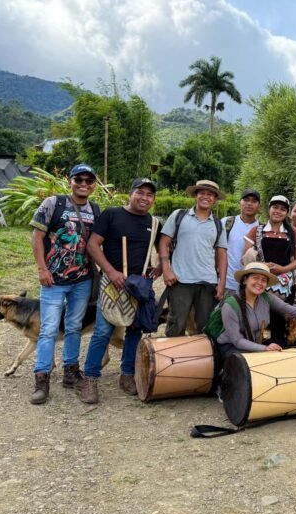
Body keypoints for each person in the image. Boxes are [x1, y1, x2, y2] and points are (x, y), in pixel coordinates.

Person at [80, 178, 162, 404]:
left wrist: (161, 264)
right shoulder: (112, 215)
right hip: (112, 283)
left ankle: (127, 374)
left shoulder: (154, 223)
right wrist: (111, 271)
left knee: (134, 331)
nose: (144, 198)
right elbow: (93, 245)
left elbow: (163, 247)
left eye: (149, 195)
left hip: (139, 284)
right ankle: (90, 378)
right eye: (140, 192)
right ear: (130, 194)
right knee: (102, 332)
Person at [27, 163, 100, 404]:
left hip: (82, 280)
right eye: (79, 179)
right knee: (48, 329)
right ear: (70, 180)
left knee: (74, 326)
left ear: (94, 185)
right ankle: (42, 378)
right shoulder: (53, 203)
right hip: (54, 280)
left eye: (89, 181)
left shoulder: (95, 210)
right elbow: (37, 237)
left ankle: (71, 372)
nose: (83, 184)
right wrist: (42, 268)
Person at [214, 262, 296, 355]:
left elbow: (293, 311)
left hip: (257, 345)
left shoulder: (266, 298)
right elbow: (237, 340)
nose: (259, 283)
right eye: (255, 278)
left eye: (264, 280)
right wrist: (264, 348)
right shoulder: (230, 305)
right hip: (232, 348)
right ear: (245, 280)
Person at [158, 180, 228, 336]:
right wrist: (166, 270)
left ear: (215, 199)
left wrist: (222, 282)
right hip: (180, 280)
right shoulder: (179, 216)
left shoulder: (218, 224)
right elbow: (163, 242)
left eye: (210, 194)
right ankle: (174, 353)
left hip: (207, 282)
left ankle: (201, 353)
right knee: (176, 325)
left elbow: (222, 254)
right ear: (196, 195)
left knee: (205, 328)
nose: (206, 197)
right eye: (202, 192)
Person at [243, 194, 296, 301]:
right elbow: (246, 257)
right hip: (260, 281)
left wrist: (283, 269)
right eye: (275, 207)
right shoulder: (256, 230)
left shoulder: (292, 232)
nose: (278, 211)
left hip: (285, 285)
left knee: (282, 311)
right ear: (268, 209)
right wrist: (263, 266)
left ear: (287, 213)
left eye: (283, 209)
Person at [222, 189, 261, 296]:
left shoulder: (262, 229)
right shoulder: (226, 223)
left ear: (259, 206)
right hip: (226, 284)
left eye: (254, 201)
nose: (249, 204)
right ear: (240, 203)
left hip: (251, 287)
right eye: (246, 200)